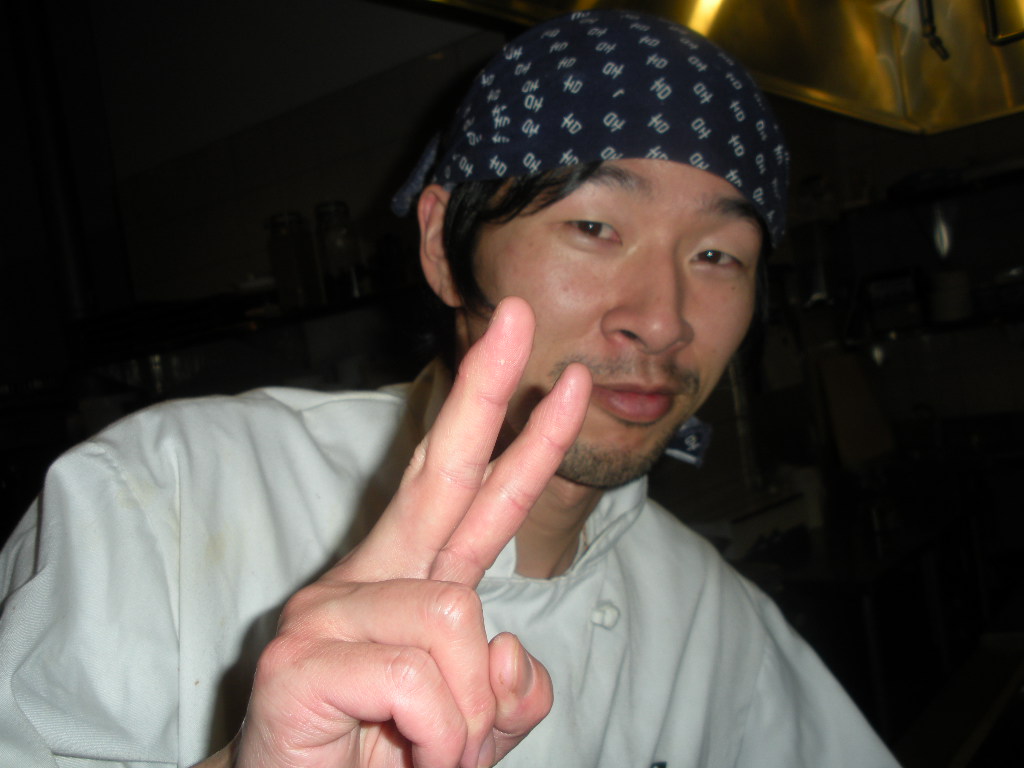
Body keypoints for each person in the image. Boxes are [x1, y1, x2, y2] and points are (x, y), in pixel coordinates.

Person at [0, 9, 901, 768]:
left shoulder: (720, 627)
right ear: (442, 246)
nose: (662, 319)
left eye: (717, 254)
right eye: (594, 225)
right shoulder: (159, 499)